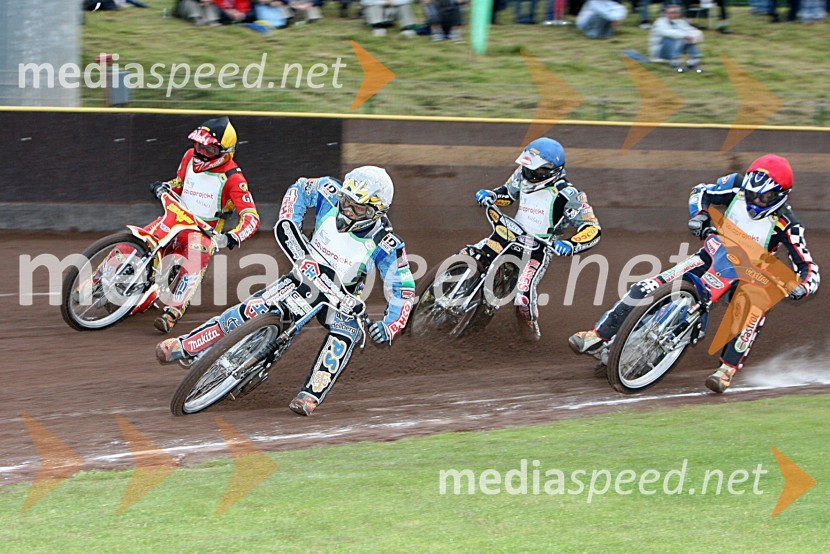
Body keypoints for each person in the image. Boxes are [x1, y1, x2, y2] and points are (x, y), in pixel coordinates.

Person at [156, 166, 416, 416]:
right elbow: (299, 188)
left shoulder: (388, 243)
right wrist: (291, 221)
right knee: (250, 309)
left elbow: (403, 289)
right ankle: (186, 345)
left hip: (342, 296)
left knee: (345, 334)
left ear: (376, 210)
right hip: (305, 272)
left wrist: (390, 326)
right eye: (345, 201)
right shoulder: (329, 188)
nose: (346, 210)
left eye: (357, 207)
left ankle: (311, 394)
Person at [569, 154, 820, 393]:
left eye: (763, 198)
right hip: (712, 254)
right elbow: (700, 191)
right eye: (751, 194)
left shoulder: (789, 225)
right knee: (646, 286)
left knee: (751, 312)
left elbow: (809, 268)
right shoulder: (735, 186)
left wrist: (801, 286)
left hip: (750, 275)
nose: (754, 201)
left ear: (781, 196)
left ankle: (727, 369)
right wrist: (699, 215)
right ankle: (597, 335)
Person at [473, 138, 602, 340]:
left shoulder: (569, 195)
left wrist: (570, 244)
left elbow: (592, 228)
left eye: (537, 171)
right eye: (528, 168)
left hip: (539, 247)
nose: (530, 174)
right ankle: (444, 287)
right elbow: (508, 194)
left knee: (523, 296)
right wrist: (491, 195)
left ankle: (528, 325)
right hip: (510, 233)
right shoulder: (522, 174)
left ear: (552, 170)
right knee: (473, 254)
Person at [149, 116, 260, 333]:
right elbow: (180, 184)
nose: (200, 152)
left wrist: (231, 236)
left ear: (225, 152)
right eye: (199, 145)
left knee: (197, 252)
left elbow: (252, 218)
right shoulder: (190, 156)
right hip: (175, 217)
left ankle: (172, 312)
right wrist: (164, 186)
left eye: (209, 150)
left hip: (202, 232)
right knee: (144, 236)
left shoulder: (234, 178)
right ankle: (95, 282)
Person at [648, 3, 703, 72]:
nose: (672, 15)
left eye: (675, 12)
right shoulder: (660, 22)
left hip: (676, 48)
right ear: (665, 13)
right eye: (670, 13)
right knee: (669, 38)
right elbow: (666, 32)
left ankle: (694, 62)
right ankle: (675, 63)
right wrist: (686, 35)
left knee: (691, 39)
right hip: (661, 51)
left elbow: (695, 32)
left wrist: (692, 37)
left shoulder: (681, 22)